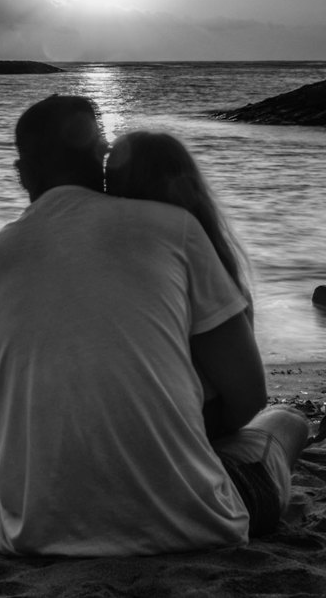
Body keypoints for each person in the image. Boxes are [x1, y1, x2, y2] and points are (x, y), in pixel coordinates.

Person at [0, 96, 308, 556]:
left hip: (36, 533)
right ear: (103, 157)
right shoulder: (175, 228)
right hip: (203, 523)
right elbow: (249, 397)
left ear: (21, 173)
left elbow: (11, 398)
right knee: (286, 420)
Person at [105, 130, 255, 436]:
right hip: (191, 426)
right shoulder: (196, 248)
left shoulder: (90, 260)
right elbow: (247, 400)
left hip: (110, 423)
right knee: (288, 419)